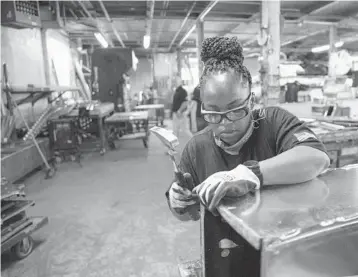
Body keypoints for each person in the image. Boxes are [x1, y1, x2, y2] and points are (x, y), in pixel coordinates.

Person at [166, 36, 330, 221]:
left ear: (251, 101)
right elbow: (189, 216)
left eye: (235, 110)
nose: (225, 123)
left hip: (278, 236)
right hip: (222, 244)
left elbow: (318, 158)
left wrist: (250, 174)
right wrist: (179, 202)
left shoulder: (273, 122)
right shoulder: (197, 148)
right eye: (213, 114)